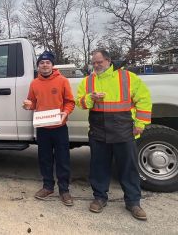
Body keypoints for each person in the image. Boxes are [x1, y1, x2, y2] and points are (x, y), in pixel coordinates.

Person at [76, 49, 152, 221]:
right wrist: (90, 98)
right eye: (93, 63)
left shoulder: (127, 77)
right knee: (99, 167)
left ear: (108, 61)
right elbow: (79, 102)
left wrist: (140, 124)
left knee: (128, 168)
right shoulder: (88, 81)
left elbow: (144, 99)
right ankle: (99, 198)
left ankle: (133, 202)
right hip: (98, 130)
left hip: (123, 129)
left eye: (99, 62)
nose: (96, 65)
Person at [23, 51, 75, 206]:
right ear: (38, 66)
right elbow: (32, 102)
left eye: (47, 63)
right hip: (43, 128)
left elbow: (70, 102)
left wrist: (65, 113)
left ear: (52, 65)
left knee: (62, 159)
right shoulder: (34, 83)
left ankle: (64, 190)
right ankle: (48, 186)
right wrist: (27, 105)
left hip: (59, 127)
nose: (44, 65)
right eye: (41, 63)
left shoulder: (62, 81)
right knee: (44, 158)